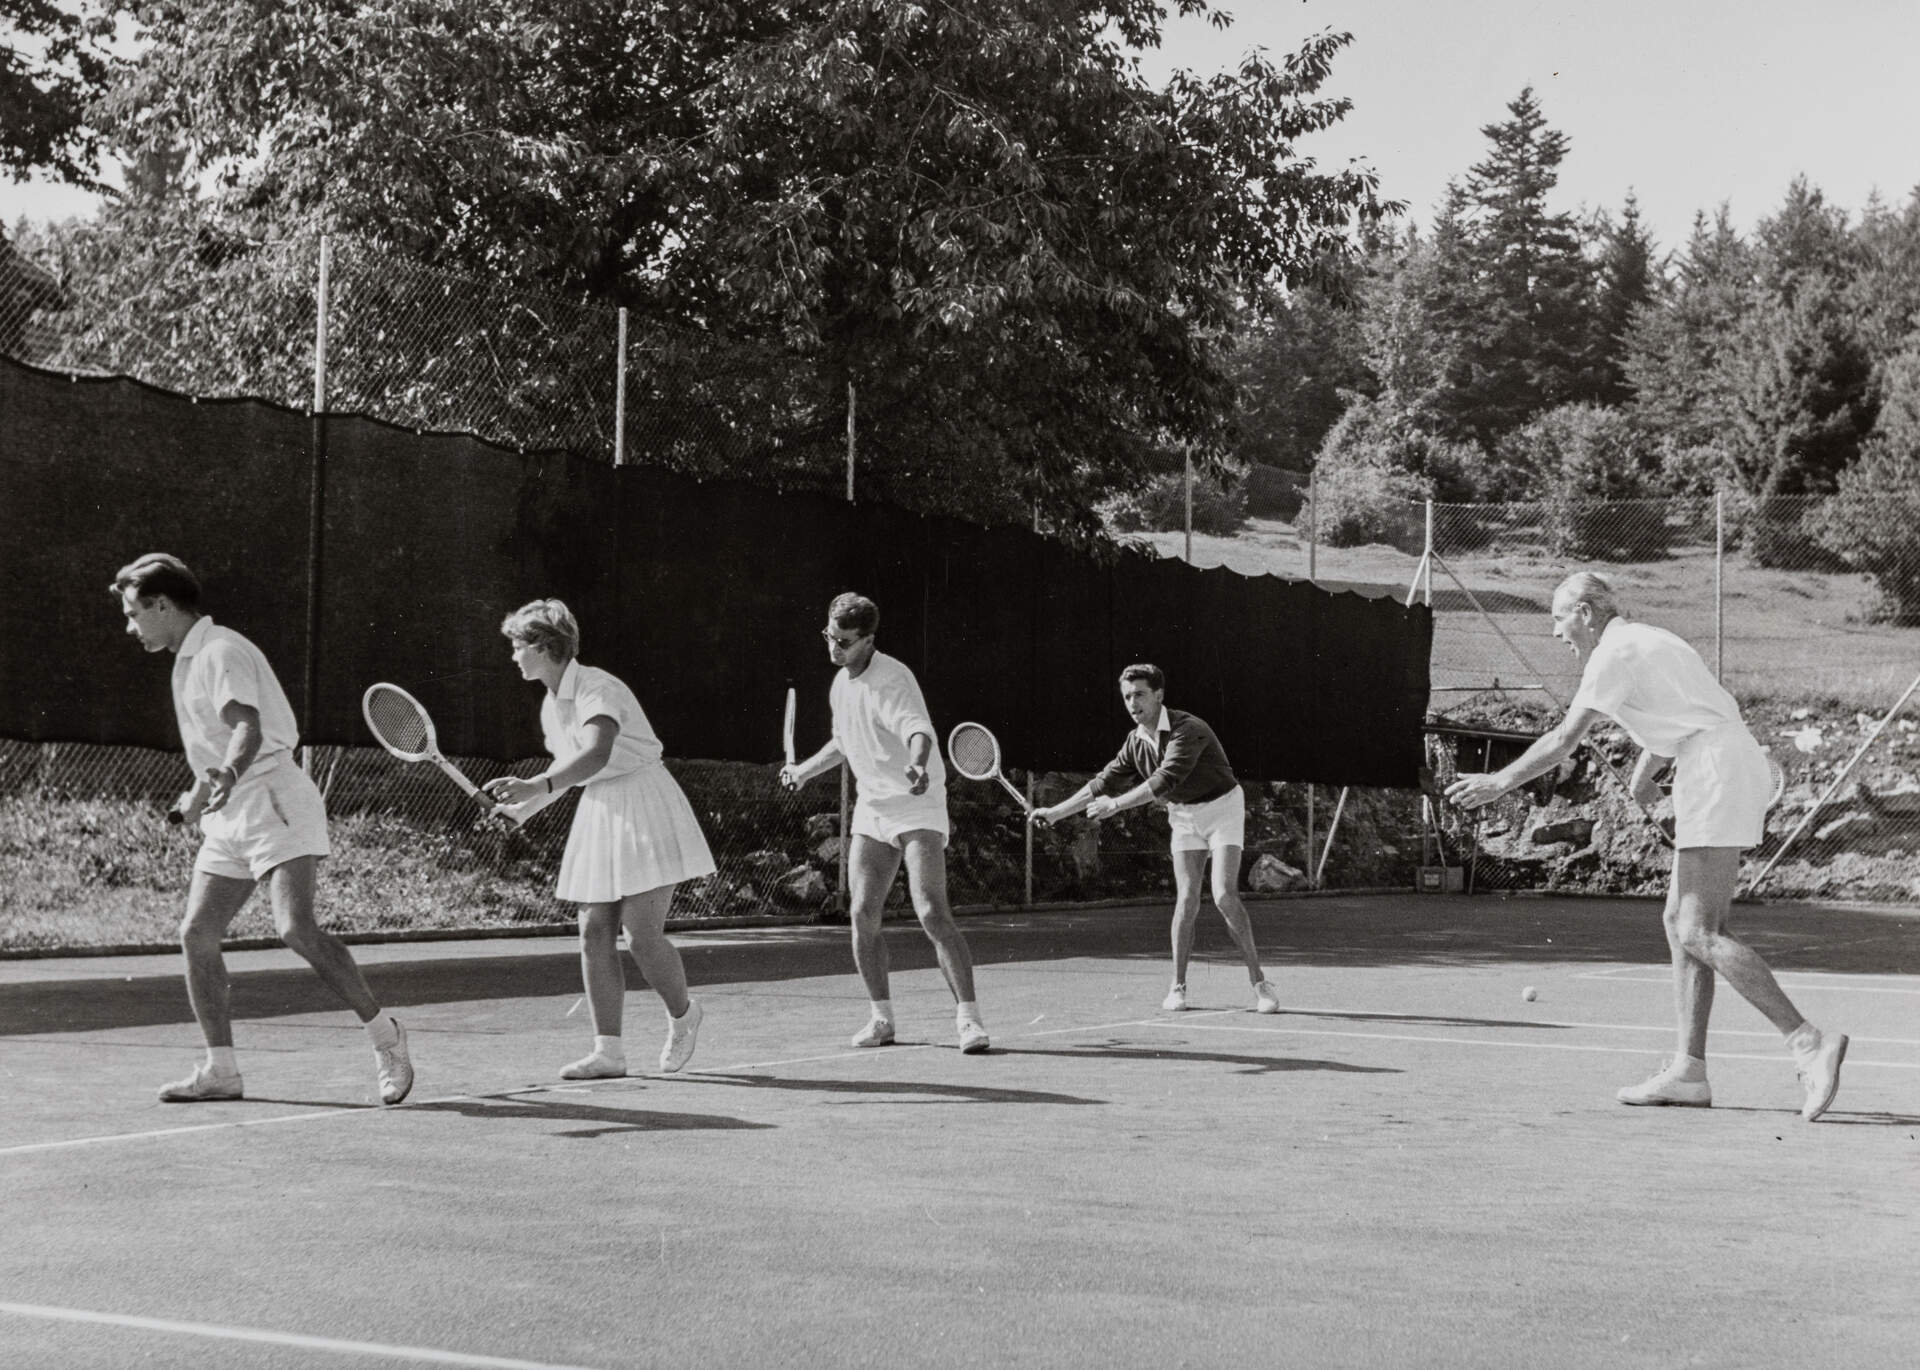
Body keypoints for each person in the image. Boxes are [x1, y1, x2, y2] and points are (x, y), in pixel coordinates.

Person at [1446, 571, 1848, 1121]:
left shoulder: (1611, 654)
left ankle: (1807, 1042)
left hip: (1715, 768)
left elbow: (1564, 739)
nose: (1557, 632)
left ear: (1586, 612)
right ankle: (1689, 1072)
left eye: (1560, 618)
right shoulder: (1652, 639)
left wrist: (1498, 782)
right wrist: (1643, 775)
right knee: (1679, 921)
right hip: (1716, 760)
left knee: (1699, 930)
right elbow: (1681, 715)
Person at [111, 553, 413, 1104]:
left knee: (296, 929)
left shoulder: (219, 650)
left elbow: (246, 728)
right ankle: (221, 1070)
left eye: (134, 614)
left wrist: (228, 774)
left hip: (274, 797)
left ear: (162, 605)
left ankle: (385, 1036)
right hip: (230, 813)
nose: (130, 627)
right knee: (196, 934)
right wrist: (200, 794)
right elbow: (217, 748)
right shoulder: (187, 661)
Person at [484, 600, 714, 1079]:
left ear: (543, 647)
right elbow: (567, 772)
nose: (513, 655)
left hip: (645, 803)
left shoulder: (597, 687)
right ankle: (609, 1052)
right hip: (600, 809)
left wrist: (534, 785)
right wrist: (522, 810)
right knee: (593, 932)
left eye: (518, 645)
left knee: (641, 935)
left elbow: (596, 754)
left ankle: (684, 1015)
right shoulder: (551, 704)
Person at [779, 593, 989, 1053]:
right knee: (861, 914)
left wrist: (917, 764)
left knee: (931, 911)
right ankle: (882, 1019)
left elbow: (918, 730)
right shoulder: (841, 684)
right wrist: (804, 771)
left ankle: (969, 1021)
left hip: (916, 801)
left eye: (844, 641)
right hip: (873, 806)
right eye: (830, 636)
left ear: (869, 640)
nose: (834, 647)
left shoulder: (893, 678)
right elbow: (843, 741)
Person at [1032, 664, 1282, 1015]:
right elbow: (1102, 782)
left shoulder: (1189, 729)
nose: (1132, 703)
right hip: (1183, 815)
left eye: (1139, 694)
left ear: (1159, 695)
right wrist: (1056, 812)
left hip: (1223, 807)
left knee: (1224, 895)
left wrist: (1115, 805)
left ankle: (1260, 983)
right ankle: (1177, 987)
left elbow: (1163, 780)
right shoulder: (1135, 742)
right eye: (1126, 697)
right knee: (1187, 899)